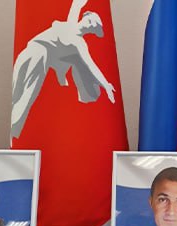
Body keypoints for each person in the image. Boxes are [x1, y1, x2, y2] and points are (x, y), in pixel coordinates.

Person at [11, 0, 116, 139]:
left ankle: (16, 136)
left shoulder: (79, 43)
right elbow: (76, 5)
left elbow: (91, 65)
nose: (90, 24)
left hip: (40, 56)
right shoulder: (71, 23)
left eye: (93, 26)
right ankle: (15, 136)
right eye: (91, 20)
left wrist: (106, 85)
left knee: (27, 96)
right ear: (85, 16)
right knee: (17, 94)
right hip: (28, 52)